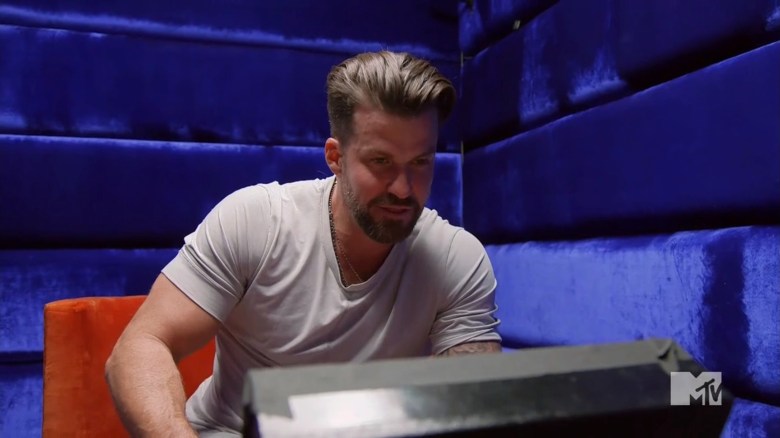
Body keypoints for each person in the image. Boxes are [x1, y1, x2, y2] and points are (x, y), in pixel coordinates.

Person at [105, 50, 501, 437]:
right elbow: (141, 346)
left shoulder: (455, 259)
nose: (403, 188)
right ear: (336, 157)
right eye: (380, 162)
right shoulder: (258, 221)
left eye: (420, 162)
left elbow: (480, 406)